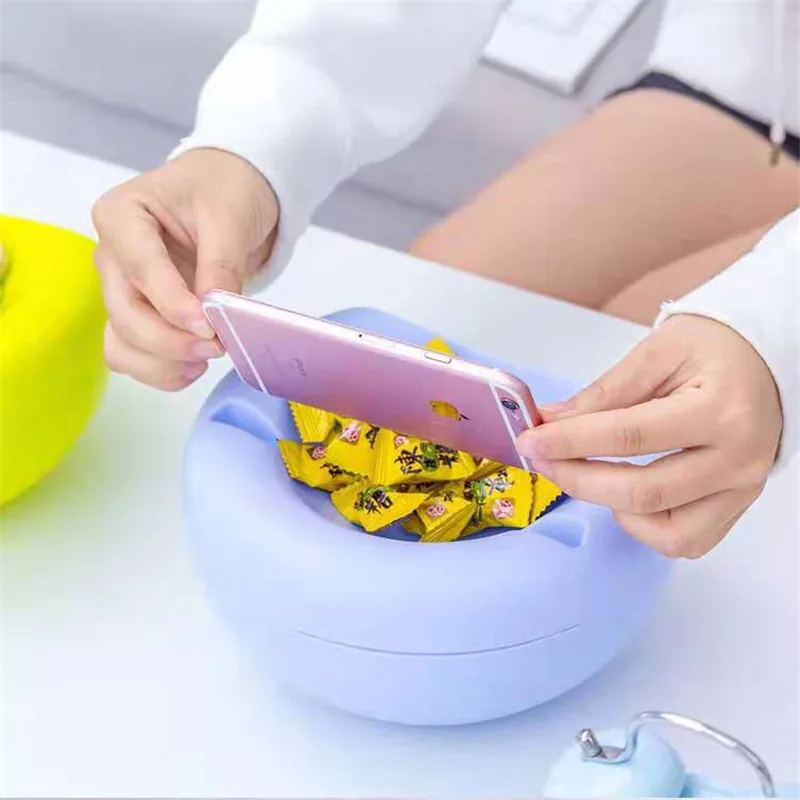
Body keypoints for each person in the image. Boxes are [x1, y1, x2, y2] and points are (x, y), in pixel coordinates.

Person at [91, 0, 799, 559]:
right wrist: (253, 142)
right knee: (436, 322)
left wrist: (774, 333)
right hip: (754, 85)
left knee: (660, 438)